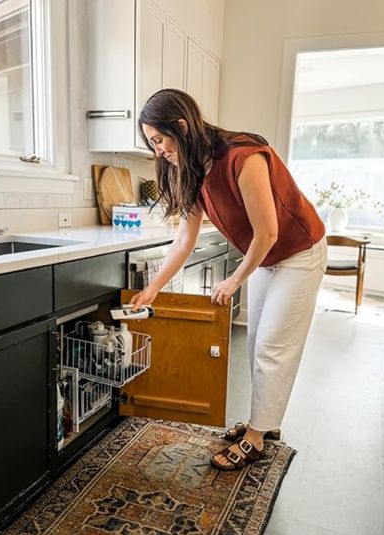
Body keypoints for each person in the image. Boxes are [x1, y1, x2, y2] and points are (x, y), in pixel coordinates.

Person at [130, 88, 327, 471]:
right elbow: (185, 239)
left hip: (299, 252)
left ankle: (256, 439)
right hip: (268, 257)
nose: (157, 151)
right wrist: (153, 288)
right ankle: (263, 423)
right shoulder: (190, 169)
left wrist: (234, 279)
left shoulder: (243, 157)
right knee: (257, 344)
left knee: (273, 346)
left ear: (182, 128)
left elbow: (267, 232)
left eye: (158, 140)